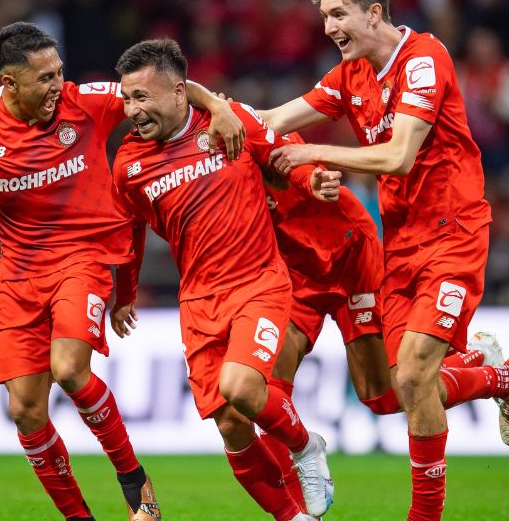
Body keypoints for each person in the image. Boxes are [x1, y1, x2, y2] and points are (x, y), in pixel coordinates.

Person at [0, 21, 244, 521]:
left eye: (60, 72)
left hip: (85, 256)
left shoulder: (86, 101)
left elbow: (165, 92)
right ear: (9, 83)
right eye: (45, 78)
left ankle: (135, 482)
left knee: (70, 369)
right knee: (25, 411)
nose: (59, 86)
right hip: (18, 272)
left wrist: (221, 107)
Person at [264, 0, 509, 520]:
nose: (328, 28)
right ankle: (501, 376)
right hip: (402, 243)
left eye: (338, 15)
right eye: (323, 18)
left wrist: (316, 152)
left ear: (374, 13)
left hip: (454, 232)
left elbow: (398, 155)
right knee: (391, 392)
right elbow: (272, 118)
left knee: (414, 374)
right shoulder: (349, 77)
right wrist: (206, 115)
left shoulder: (424, 59)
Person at [110, 38, 342, 521]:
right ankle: (293, 518)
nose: (133, 110)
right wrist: (125, 293)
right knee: (232, 426)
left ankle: (306, 446)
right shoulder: (128, 166)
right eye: (127, 99)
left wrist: (313, 179)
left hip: (257, 282)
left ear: (179, 93)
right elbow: (130, 232)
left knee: (241, 388)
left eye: (142, 97)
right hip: (197, 301)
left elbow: (282, 154)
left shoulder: (227, 122)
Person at [259, 150, 509, 499]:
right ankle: (298, 509)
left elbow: (302, 162)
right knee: (265, 391)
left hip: (353, 264)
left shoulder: (263, 136)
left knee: (384, 396)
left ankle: (488, 371)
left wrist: (317, 177)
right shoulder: (212, 167)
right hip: (298, 277)